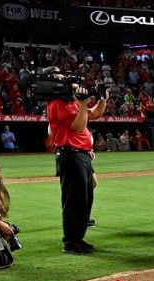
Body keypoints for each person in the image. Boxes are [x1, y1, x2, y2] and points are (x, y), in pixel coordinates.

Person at [47, 81, 107, 255]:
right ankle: (71, 242)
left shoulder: (70, 102)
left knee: (84, 198)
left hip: (81, 154)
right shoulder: (57, 103)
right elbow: (79, 126)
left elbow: (93, 114)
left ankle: (77, 239)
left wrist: (102, 99)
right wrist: (82, 104)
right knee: (74, 200)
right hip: (71, 155)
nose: (73, 86)